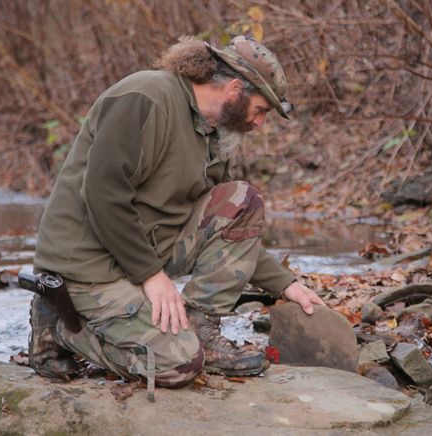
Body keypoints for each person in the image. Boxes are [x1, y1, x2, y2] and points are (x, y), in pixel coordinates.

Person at [28, 35, 325, 391]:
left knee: (241, 199)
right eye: (261, 110)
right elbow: (102, 194)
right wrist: (151, 275)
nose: (261, 124)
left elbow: (227, 225)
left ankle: (201, 328)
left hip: (142, 252)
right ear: (234, 90)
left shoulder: (213, 133)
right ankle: (61, 328)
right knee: (179, 365)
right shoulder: (144, 97)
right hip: (86, 264)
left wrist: (285, 284)